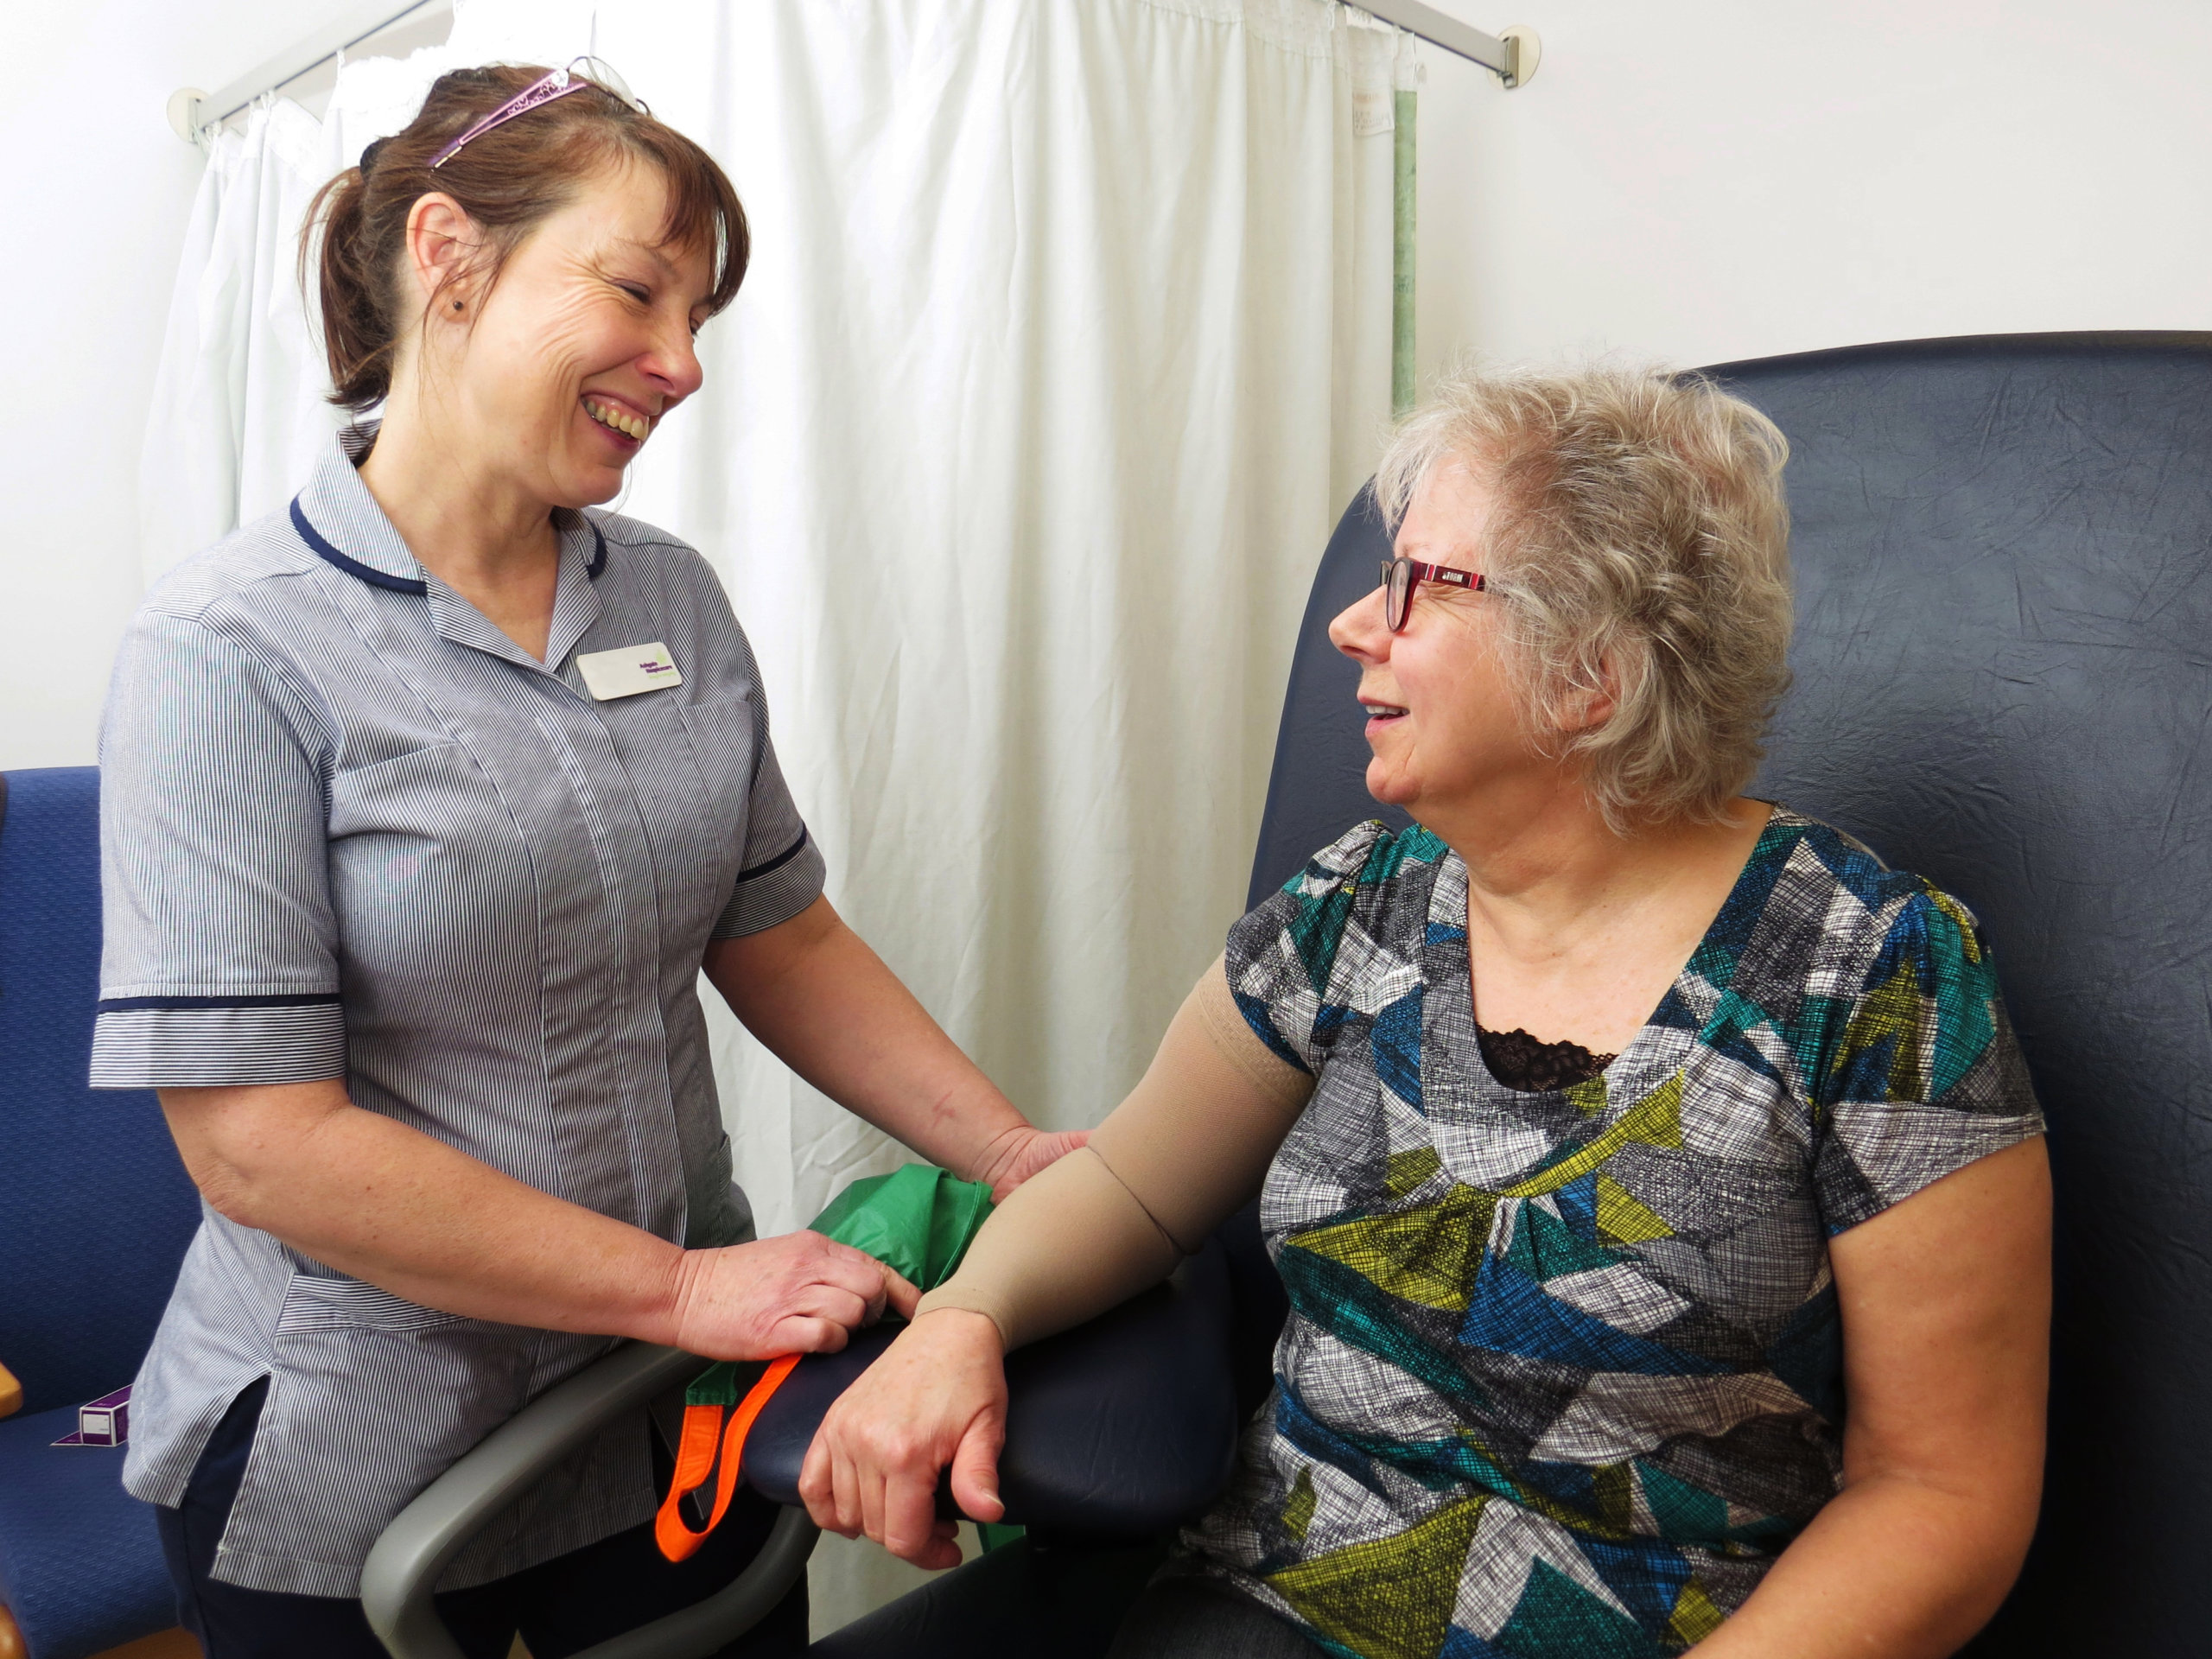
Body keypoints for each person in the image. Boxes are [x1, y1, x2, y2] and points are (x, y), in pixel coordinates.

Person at [803, 365, 2052, 1659]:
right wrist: (959, 1323)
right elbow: (1129, 1187)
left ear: (1590, 673)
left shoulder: (1875, 972)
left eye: (1417, 586)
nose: (1354, 623)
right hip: (1249, 1609)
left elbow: (1942, 1493)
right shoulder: (1359, 905)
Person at [92, 61, 1079, 1659]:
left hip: (657, 1424)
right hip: (369, 1452)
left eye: (699, 319)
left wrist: (1011, 1152)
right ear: (449, 258)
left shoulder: (666, 602)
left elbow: (782, 939)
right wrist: (686, 1293)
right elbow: (261, 1147)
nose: (682, 364)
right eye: (635, 290)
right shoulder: (228, 647)